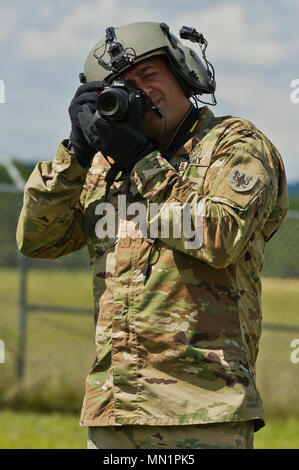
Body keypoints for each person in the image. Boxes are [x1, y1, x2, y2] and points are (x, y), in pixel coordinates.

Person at [16, 21, 288, 449]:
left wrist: (141, 161)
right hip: (114, 411)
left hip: (202, 410)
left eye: (148, 75)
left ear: (183, 75)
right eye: (122, 85)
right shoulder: (105, 167)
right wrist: (77, 153)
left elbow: (220, 236)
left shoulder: (235, 145)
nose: (139, 91)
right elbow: (37, 239)